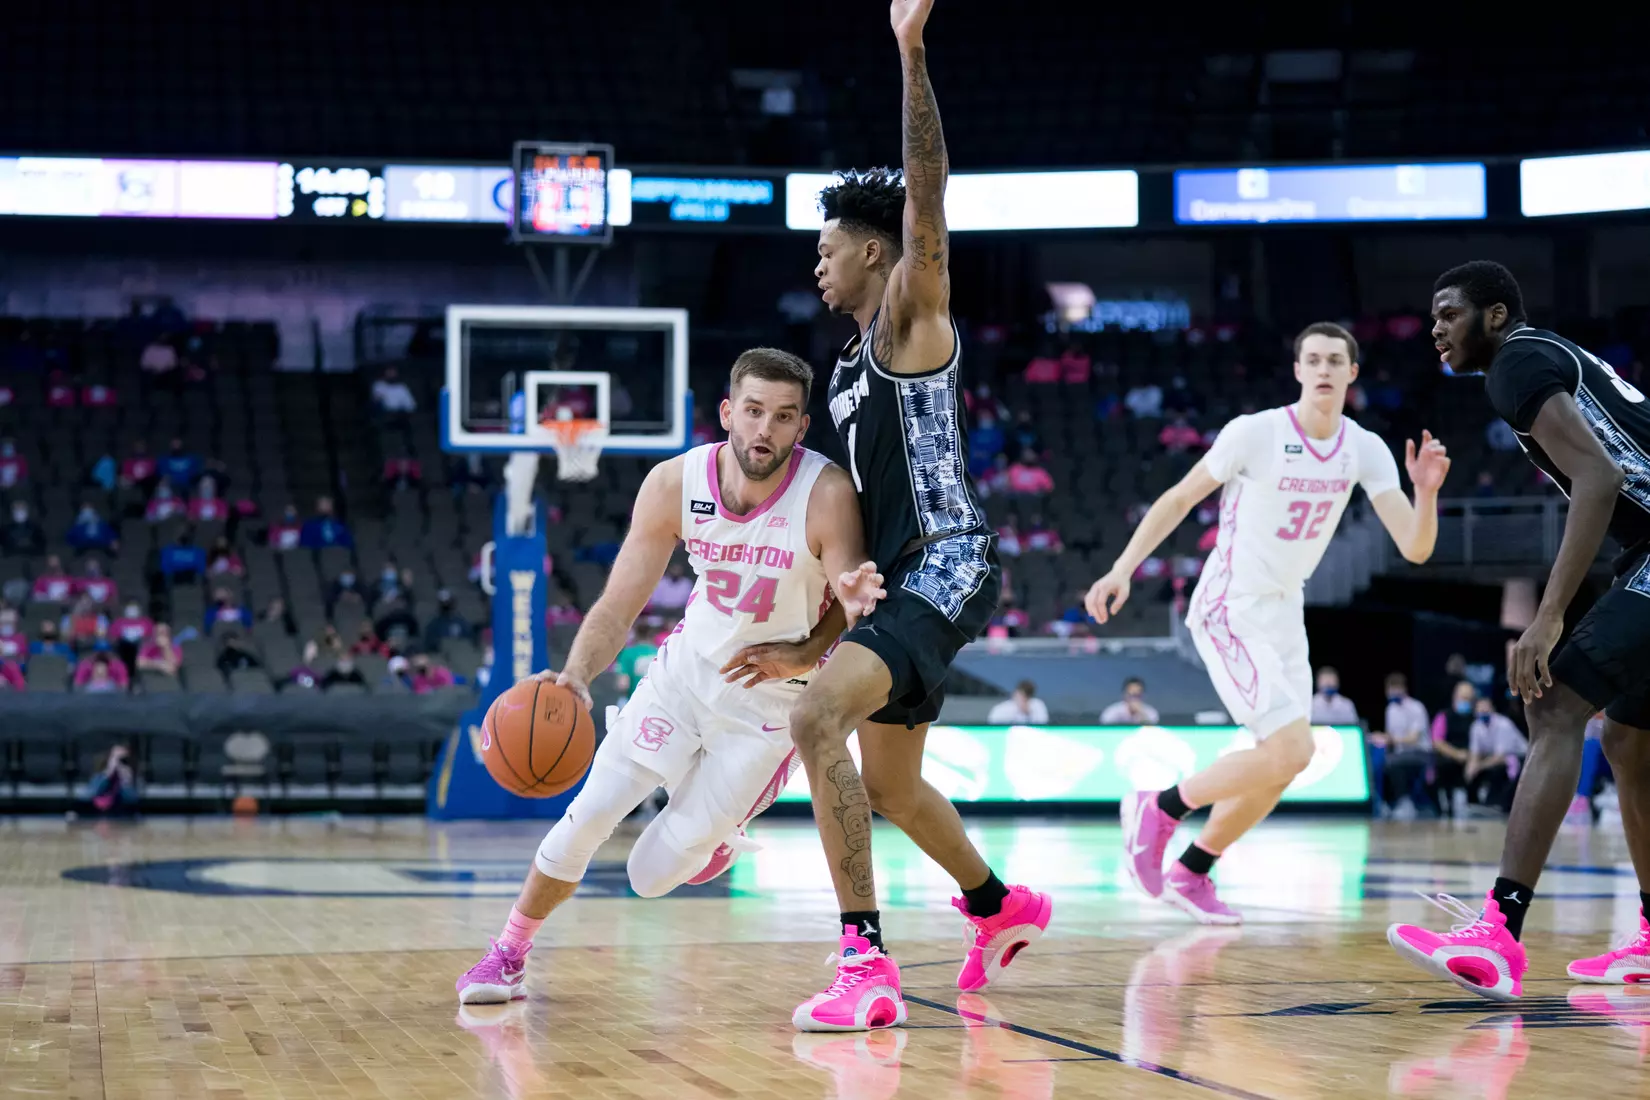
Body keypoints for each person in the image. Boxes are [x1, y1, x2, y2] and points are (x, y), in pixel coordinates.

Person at [455, 348, 883, 1008]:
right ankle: (508, 952)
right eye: (753, 412)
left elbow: (850, 603)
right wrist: (575, 675)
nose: (765, 429)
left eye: (783, 417)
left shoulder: (825, 495)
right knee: (586, 816)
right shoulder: (674, 483)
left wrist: (811, 646)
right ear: (727, 414)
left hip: (769, 708)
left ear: (802, 428)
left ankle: (719, 839)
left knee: (648, 875)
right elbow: (620, 601)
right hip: (684, 678)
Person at [800, 0, 1051, 1033]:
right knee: (893, 784)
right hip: (900, 580)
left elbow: (928, 198)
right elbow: (852, 528)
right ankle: (1001, 905)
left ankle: (865, 962)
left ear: (872, 253)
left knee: (816, 719)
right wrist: (823, 626)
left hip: (948, 560)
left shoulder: (910, 313)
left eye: (828, 249)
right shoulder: (844, 366)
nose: (816, 265)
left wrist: (911, 52)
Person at [1088, 321, 1449, 925]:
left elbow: (1414, 546)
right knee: (1292, 746)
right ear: (1299, 370)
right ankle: (1158, 808)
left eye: (1337, 359)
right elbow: (1178, 498)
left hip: (1285, 610)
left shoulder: (1364, 448)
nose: (1326, 368)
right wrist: (1122, 569)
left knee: (1285, 760)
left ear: (1353, 373)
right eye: (1314, 359)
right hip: (1231, 604)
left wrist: (1427, 491)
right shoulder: (1255, 433)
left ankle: (1194, 869)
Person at [1389, 261, 1650, 999]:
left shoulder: (1515, 363)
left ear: (1494, 316)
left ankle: (1498, 932)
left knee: (1554, 701)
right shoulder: (1544, 354)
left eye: (1449, 314)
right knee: (1628, 739)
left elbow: (1598, 479)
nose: (1435, 330)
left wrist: (1547, 615)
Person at [1379, 673, 1432, 819]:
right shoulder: (1390, 709)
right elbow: (1390, 735)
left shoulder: (1416, 708)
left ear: (1403, 689)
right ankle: (1384, 803)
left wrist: (1392, 740)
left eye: (1396, 689)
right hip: (1400, 752)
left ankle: (1405, 802)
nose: (1392, 693)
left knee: (1393, 763)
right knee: (1380, 762)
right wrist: (1381, 738)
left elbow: (1413, 738)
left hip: (1420, 752)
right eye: (1390, 689)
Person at [1466, 696, 1528, 812]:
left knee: (1498, 769)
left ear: (1492, 709)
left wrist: (1479, 766)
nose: (1483, 712)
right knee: (1471, 771)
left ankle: (1497, 803)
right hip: (1492, 757)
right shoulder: (1476, 726)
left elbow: (1501, 756)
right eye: (1481, 710)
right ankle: (1473, 803)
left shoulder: (1503, 724)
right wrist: (1471, 767)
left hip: (1519, 757)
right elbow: (1474, 752)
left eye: (1486, 709)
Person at [1430, 681, 1477, 817]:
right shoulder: (1444, 716)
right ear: (1455, 697)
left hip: (1472, 756)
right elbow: (1437, 741)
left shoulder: (1476, 717)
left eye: (1468, 698)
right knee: (1444, 765)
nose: (1465, 701)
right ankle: (1448, 804)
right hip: (1450, 756)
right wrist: (1456, 754)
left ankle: (1475, 803)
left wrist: (1471, 756)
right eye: (1463, 697)